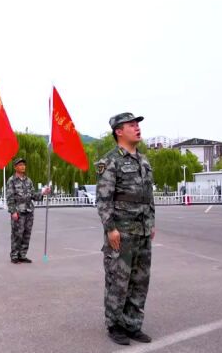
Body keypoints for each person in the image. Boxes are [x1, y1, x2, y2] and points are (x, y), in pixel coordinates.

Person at [96, 112, 155, 345]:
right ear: (119, 131)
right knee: (118, 280)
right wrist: (110, 228)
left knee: (140, 280)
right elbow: (103, 199)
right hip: (121, 232)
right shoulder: (109, 161)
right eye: (131, 125)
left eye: (137, 125)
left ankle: (132, 324)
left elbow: (148, 196)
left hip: (142, 231)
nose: (137, 128)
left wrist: (150, 223)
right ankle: (115, 324)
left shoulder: (144, 161)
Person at [6, 158, 50, 264]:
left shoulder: (28, 180)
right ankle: (14, 255)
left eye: (24, 165)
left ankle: (22, 255)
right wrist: (13, 211)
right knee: (17, 234)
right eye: (20, 165)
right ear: (15, 167)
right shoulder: (11, 180)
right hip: (18, 211)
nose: (23, 167)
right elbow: (10, 197)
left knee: (26, 234)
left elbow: (33, 195)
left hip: (29, 210)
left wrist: (43, 193)